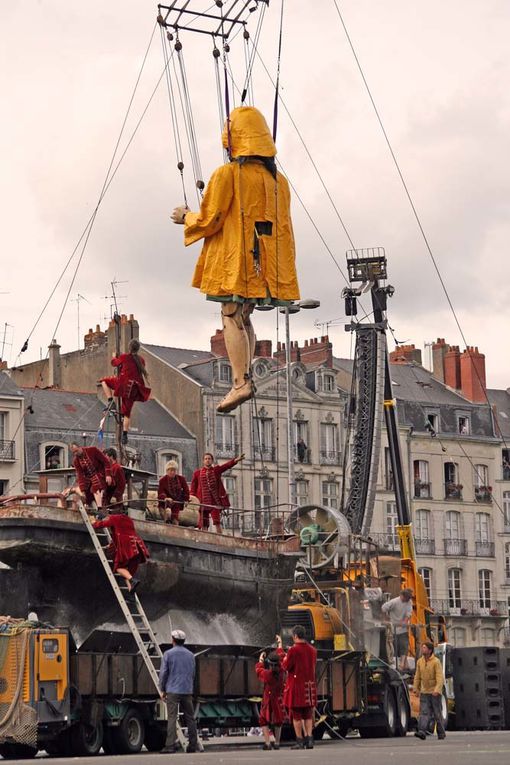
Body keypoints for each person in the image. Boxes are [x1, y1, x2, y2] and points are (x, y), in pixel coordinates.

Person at [171, 106, 300, 414]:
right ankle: (244, 378)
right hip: (267, 264)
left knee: (229, 314)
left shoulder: (229, 174)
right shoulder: (278, 181)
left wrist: (186, 217)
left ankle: (240, 382)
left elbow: (211, 218)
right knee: (244, 316)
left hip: (238, 258)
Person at [100, 338, 151, 445]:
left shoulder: (124, 357)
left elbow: (114, 363)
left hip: (122, 385)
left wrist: (114, 356)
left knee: (104, 381)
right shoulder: (141, 360)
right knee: (127, 413)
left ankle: (110, 401)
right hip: (133, 389)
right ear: (138, 349)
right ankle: (125, 435)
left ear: (129, 347)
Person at [92, 508, 149, 595]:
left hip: (127, 547)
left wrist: (93, 523)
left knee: (119, 567)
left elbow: (103, 524)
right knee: (127, 572)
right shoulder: (129, 519)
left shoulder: (114, 518)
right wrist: (110, 546)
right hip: (137, 547)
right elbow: (118, 536)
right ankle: (131, 593)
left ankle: (132, 580)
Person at [159, 629, 198, 754]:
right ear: (184, 641)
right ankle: (193, 745)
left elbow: (164, 673)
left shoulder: (168, 654)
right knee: (190, 718)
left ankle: (169, 745)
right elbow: (193, 673)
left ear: (173, 640)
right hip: (187, 690)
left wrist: (162, 689)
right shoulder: (191, 655)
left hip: (172, 690)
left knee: (172, 718)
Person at [190, 452, 244, 533]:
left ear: (212, 461)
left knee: (217, 522)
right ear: (203, 461)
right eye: (206, 459)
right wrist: (192, 499)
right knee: (204, 523)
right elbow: (193, 488)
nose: (207, 460)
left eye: (209, 459)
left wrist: (236, 460)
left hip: (214, 502)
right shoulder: (197, 473)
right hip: (202, 502)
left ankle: (220, 537)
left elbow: (226, 466)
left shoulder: (216, 470)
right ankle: (204, 538)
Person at [282, 626, 317, 750]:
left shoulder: (293, 650)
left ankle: (300, 741)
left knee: (296, 716)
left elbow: (286, 666)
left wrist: (284, 656)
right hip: (309, 686)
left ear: (295, 636)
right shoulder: (313, 650)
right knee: (308, 715)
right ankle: (310, 739)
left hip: (297, 686)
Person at [255, 640, 286, 750]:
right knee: (278, 721)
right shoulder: (282, 671)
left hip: (268, 699)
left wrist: (260, 659)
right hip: (278, 698)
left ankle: (267, 743)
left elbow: (259, 670)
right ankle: (277, 743)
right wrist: (280, 644)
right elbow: (282, 656)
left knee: (263, 720)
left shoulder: (268, 674)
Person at [413, 641, 446, 741]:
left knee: (437, 713)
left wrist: (437, 690)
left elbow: (440, 678)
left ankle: (441, 732)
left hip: (434, 692)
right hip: (424, 691)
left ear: (430, 650)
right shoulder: (420, 661)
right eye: (422, 647)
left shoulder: (436, 662)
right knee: (424, 712)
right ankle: (422, 731)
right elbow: (417, 676)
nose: (422, 649)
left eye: (424, 648)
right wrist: (416, 688)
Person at [64, 442, 113, 508]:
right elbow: (80, 474)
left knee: (95, 486)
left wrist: (108, 475)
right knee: (84, 492)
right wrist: (83, 489)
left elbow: (105, 461)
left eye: (76, 451)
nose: (76, 453)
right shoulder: (76, 461)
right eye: (74, 452)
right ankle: (87, 507)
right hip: (89, 478)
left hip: (101, 474)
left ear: (80, 447)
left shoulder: (93, 450)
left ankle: (100, 507)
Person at [381, 588, 413, 671]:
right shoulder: (394, 602)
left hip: (403, 629)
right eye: (405, 598)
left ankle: (402, 664)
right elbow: (383, 608)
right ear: (402, 595)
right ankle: (395, 665)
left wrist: (404, 622)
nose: (406, 600)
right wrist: (386, 618)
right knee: (393, 648)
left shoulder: (409, 602)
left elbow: (408, 614)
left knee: (404, 646)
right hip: (393, 629)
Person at [158, 460, 190, 525]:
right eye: (170, 470)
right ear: (167, 471)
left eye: (174, 470)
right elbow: (161, 492)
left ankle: (176, 528)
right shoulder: (162, 480)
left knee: (175, 519)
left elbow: (186, 490)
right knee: (166, 513)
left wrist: (186, 499)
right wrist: (165, 498)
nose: (172, 472)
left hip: (176, 501)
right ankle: (166, 523)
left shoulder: (181, 479)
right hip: (165, 502)